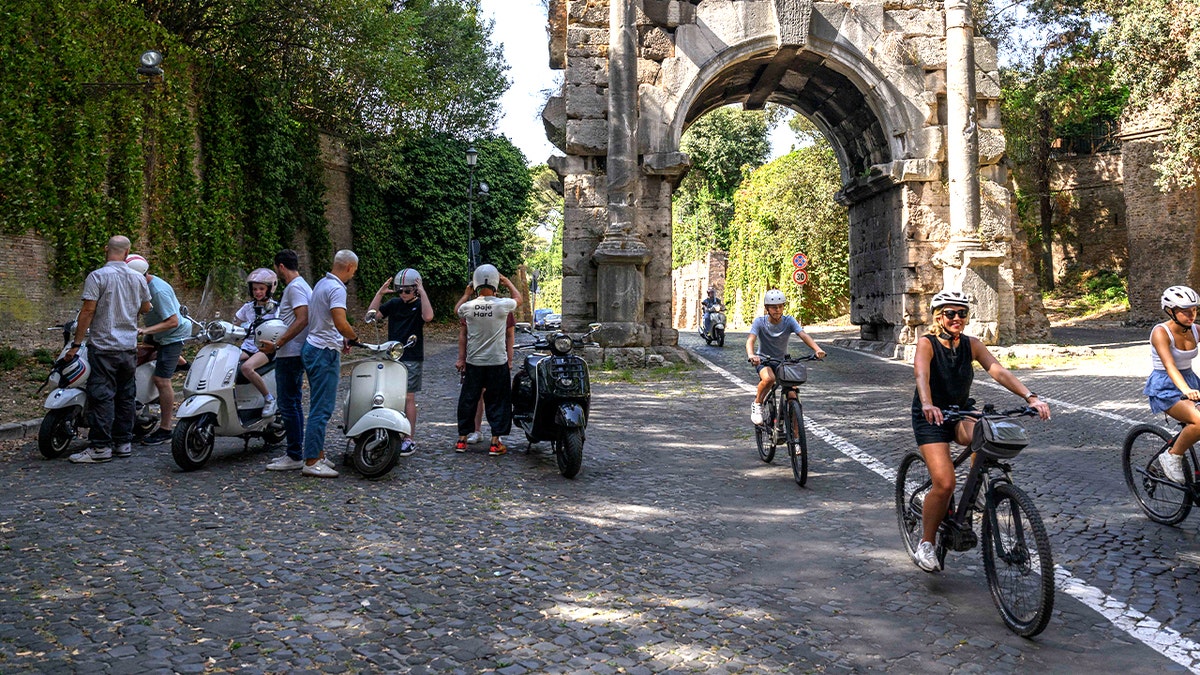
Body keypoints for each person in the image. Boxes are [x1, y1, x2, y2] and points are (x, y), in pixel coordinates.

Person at [910, 289, 1051, 572]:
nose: (957, 318)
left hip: (960, 411)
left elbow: (998, 370)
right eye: (950, 313)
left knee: (985, 434)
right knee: (946, 483)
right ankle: (925, 543)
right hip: (931, 417)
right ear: (938, 316)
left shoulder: (971, 344)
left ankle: (972, 498)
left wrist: (1030, 397)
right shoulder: (927, 343)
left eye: (962, 313)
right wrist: (927, 404)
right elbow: (921, 374)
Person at [66, 236, 152, 463]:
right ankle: (123, 443)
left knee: (101, 396)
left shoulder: (97, 277)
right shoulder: (137, 278)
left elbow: (87, 311)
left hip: (104, 346)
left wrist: (76, 344)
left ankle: (100, 448)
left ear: (106, 250)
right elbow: (145, 307)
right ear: (127, 252)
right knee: (126, 396)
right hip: (128, 347)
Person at [300, 249, 360, 478]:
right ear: (349, 268)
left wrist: (340, 337)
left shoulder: (321, 284)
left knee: (318, 404)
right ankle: (312, 461)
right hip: (323, 352)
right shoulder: (336, 289)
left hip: (314, 346)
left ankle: (319, 453)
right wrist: (353, 337)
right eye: (354, 271)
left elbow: (323, 320)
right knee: (321, 408)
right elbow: (340, 321)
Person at [454, 264, 521, 455]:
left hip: (474, 362)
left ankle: (462, 440)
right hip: (497, 361)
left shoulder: (468, 307)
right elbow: (519, 299)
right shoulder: (503, 305)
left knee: (469, 399)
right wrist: (508, 282)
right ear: (495, 284)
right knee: (498, 401)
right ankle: (495, 442)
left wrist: (467, 294)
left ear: (474, 284)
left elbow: (457, 310)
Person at [366, 268, 433, 456]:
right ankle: (390, 431)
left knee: (408, 398)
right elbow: (371, 316)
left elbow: (428, 317)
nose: (403, 294)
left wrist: (423, 292)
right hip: (391, 355)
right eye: (400, 290)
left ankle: (409, 438)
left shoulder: (420, 304)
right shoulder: (394, 304)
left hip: (411, 356)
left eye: (408, 291)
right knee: (386, 395)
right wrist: (380, 293)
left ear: (415, 289)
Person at [126, 254, 192, 446]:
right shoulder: (141, 284)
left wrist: (146, 330)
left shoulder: (158, 291)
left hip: (172, 335)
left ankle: (165, 429)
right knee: (140, 357)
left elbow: (173, 321)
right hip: (157, 331)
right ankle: (183, 364)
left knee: (161, 379)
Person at [259, 250, 311, 471]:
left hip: (290, 353)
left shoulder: (295, 287)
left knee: (288, 405)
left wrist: (278, 343)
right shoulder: (302, 286)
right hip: (292, 352)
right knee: (293, 403)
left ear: (281, 267)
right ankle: (296, 450)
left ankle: (294, 454)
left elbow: (303, 318)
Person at [1144, 286, 1200, 483]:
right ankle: (1172, 456)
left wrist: (1189, 387)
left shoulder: (1196, 330)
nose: (1191, 314)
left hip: (1190, 381)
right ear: (1170, 310)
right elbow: (1169, 366)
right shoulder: (1161, 332)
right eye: (1185, 310)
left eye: (1194, 309)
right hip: (1166, 386)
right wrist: (1185, 390)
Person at [745, 289, 826, 424]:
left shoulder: (789, 321)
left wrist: (817, 349)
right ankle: (757, 403)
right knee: (769, 379)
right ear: (767, 309)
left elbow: (803, 335)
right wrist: (752, 355)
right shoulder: (760, 322)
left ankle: (796, 438)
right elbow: (750, 340)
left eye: (780, 306)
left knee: (793, 395)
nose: (777, 310)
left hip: (782, 362)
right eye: (774, 307)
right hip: (764, 360)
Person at [461, 312, 516, 444]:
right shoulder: (471, 308)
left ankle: (496, 433)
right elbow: (463, 334)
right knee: (476, 395)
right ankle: (477, 431)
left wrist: (509, 359)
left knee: (495, 396)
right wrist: (461, 358)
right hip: (475, 359)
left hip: (496, 359)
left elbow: (510, 335)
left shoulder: (503, 309)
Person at [235, 268, 279, 417]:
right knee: (227, 363)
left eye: (261, 288)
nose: (257, 292)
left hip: (265, 348)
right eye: (254, 289)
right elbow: (235, 323)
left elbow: (280, 327)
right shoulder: (248, 307)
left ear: (269, 289)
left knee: (247, 368)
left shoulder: (275, 308)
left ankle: (269, 398)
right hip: (248, 346)